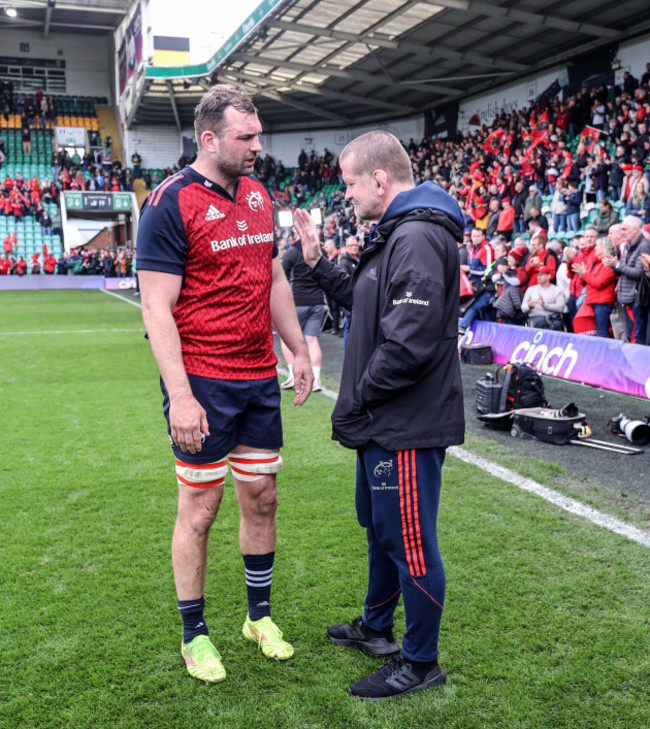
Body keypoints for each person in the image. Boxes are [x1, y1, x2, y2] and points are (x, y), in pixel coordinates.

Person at [136, 85, 313, 685]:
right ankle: (195, 635)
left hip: (258, 375)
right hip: (203, 381)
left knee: (262, 494)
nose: (258, 147)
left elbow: (273, 279)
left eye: (258, 135)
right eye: (247, 138)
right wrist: (181, 396)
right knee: (201, 507)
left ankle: (258, 618)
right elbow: (156, 309)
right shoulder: (168, 203)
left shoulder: (261, 196)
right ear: (209, 139)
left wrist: (296, 347)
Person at [294, 130, 465, 701]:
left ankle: (420, 663)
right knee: (383, 532)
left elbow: (408, 344)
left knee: (411, 542)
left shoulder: (416, 236)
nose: (346, 195)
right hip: (383, 423)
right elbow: (364, 302)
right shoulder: (394, 233)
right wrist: (318, 262)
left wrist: (357, 397)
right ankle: (376, 627)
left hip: (405, 424)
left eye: (349, 184)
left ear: (380, 180)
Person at [279, 237, 325, 392]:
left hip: (298, 300)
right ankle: (316, 379)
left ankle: (294, 375)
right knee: (312, 341)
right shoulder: (320, 251)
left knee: (286, 338)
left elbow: (281, 276)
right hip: (317, 300)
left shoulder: (292, 252)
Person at [603, 215, 650, 345]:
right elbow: (622, 270)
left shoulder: (644, 246)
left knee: (638, 336)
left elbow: (639, 274)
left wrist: (618, 265)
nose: (622, 233)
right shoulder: (629, 246)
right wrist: (613, 265)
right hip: (627, 298)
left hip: (637, 299)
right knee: (631, 335)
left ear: (635, 230)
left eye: (624, 229)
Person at [521, 265, 566, 330]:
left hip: (552, 318)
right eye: (538, 275)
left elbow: (560, 308)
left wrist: (544, 305)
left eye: (541, 275)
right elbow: (523, 308)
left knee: (557, 324)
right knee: (540, 322)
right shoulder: (531, 289)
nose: (539, 277)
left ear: (549, 276)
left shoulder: (557, 290)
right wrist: (529, 307)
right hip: (535, 317)